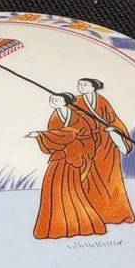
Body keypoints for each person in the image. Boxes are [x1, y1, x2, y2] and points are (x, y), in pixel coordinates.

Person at [27, 93, 106, 240]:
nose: (52, 101)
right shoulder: (55, 116)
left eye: (56, 99)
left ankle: (82, 224)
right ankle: (55, 227)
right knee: (51, 186)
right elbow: (56, 136)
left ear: (65, 102)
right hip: (61, 154)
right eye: (51, 99)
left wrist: (41, 135)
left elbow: (70, 133)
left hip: (76, 153)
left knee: (68, 188)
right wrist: (46, 136)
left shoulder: (77, 117)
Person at [75, 78, 135, 225]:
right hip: (87, 143)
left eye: (84, 84)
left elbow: (113, 119)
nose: (81, 87)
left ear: (93, 87)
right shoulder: (75, 102)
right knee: (87, 178)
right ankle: (89, 215)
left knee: (109, 178)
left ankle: (114, 214)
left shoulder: (102, 101)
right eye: (79, 84)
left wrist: (115, 130)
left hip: (106, 144)